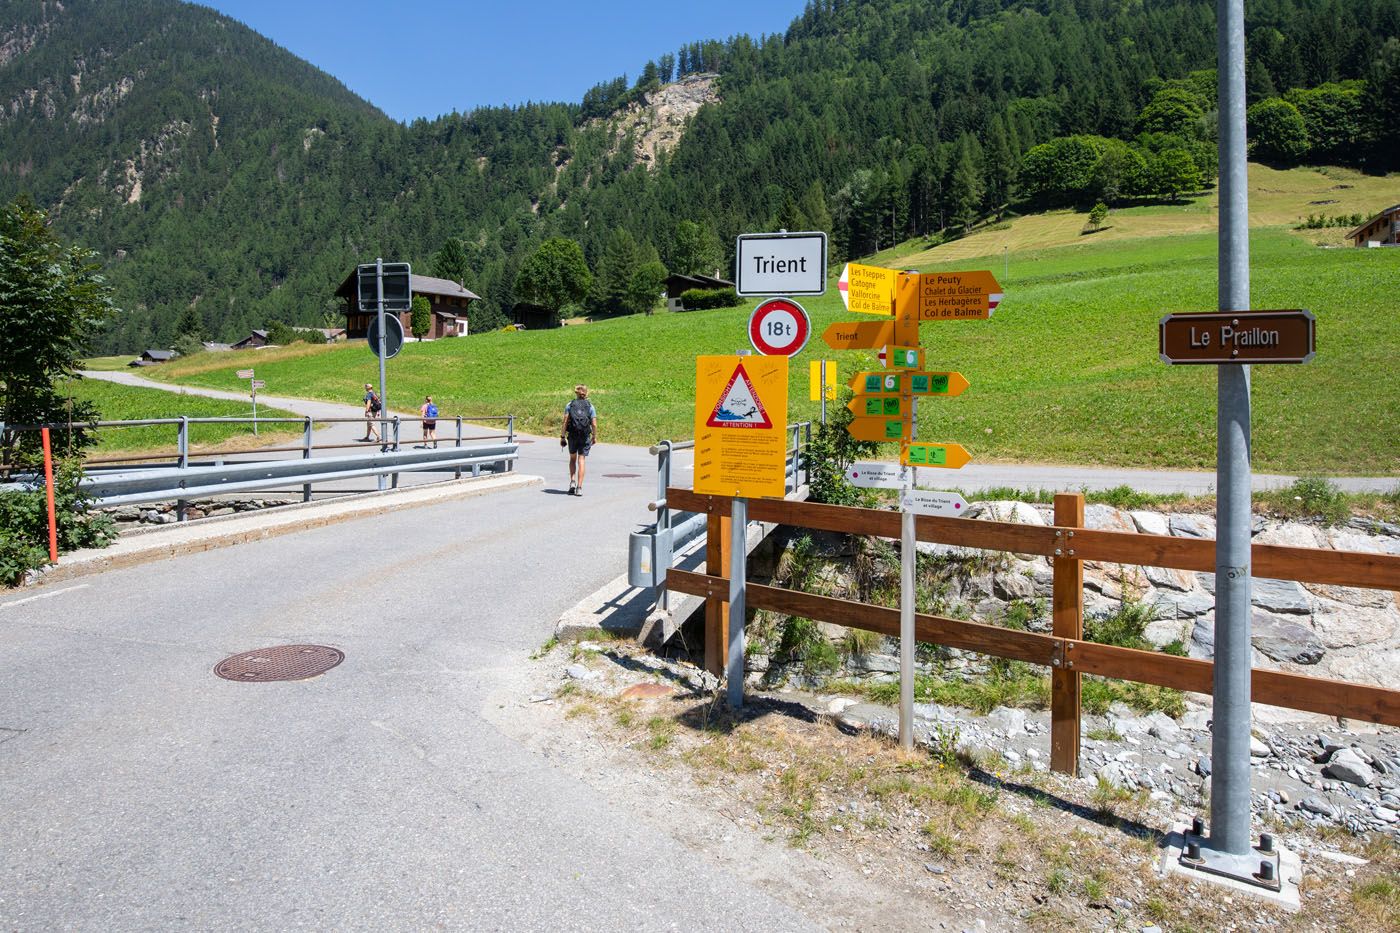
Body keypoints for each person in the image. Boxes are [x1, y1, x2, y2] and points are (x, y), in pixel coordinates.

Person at [560, 384, 597, 496]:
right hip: (585, 436)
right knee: (581, 460)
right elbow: (594, 424)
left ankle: (572, 481)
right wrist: (594, 436)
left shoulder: (570, 405)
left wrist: (562, 436)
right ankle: (579, 488)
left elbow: (565, 421)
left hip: (572, 435)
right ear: (586, 393)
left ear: (576, 393)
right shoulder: (590, 406)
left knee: (572, 459)